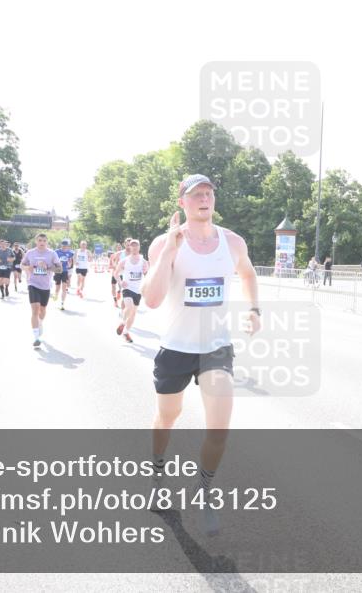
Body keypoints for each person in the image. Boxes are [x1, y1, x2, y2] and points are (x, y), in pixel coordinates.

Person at [142, 174, 261, 536]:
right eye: (196, 195)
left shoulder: (233, 242)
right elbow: (151, 298)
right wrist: (168, 254)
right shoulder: (165, 243)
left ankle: (204, 490)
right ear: (183, 203)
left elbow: (249, 274)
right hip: (176, 348)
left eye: (209, 193)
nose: (204, 199)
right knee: (167, 417)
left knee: (220, 429)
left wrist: (255, 309)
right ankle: (158, 477)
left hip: (216, 349)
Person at [21, 233, 64, 348]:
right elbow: (22, 265)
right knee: (35, 310)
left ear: (47, 242)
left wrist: (48, 267)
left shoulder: (52, 254)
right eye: (40, 240)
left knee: (43, 310)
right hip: (33, 284)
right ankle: (36, 338)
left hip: (45, 286)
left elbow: (60, 269)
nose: (42, 242)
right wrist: (27, 268)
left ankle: (40, 323)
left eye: (44, 241)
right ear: (36, 241)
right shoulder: (30, 253)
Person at [116, 239, 149, 343]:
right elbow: (116, 273)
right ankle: (122, 323)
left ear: (139, 247)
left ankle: (126, 332)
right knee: (129, 307)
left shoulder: (143, 261)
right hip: (127, 288)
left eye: (136, 245)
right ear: (129, 247)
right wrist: (121, 282)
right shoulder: (124, 260)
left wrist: (146, 272)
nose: (134, 247)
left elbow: (148, 275)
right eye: (132, 245)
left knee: (133, 314)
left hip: (138, 290)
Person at [53, 239, 75, 309]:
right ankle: (56, 295)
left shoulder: (70, 253)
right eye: (63, 245)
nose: (65, 247)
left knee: (64, 287)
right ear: (61, 245)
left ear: (68, 246)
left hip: (65, 271)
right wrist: (57, 264)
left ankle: (62, 303)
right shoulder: (56, 252)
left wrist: (69, 264)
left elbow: (71, 263)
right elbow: (53, 261)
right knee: (57, 288)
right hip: (58, 271)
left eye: (66, 246)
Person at [109, 242, 125, 308]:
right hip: (114, 274)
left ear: (121, 248)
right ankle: (115, 301)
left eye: (120, 247)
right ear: (116, 249)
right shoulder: (113, 255)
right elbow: (110, 265)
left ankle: (119, 292)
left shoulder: (124, 255)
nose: (119, 249)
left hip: (121, 274)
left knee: (122, 287)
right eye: (117, 248)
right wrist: (114, 266)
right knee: (113, 287)